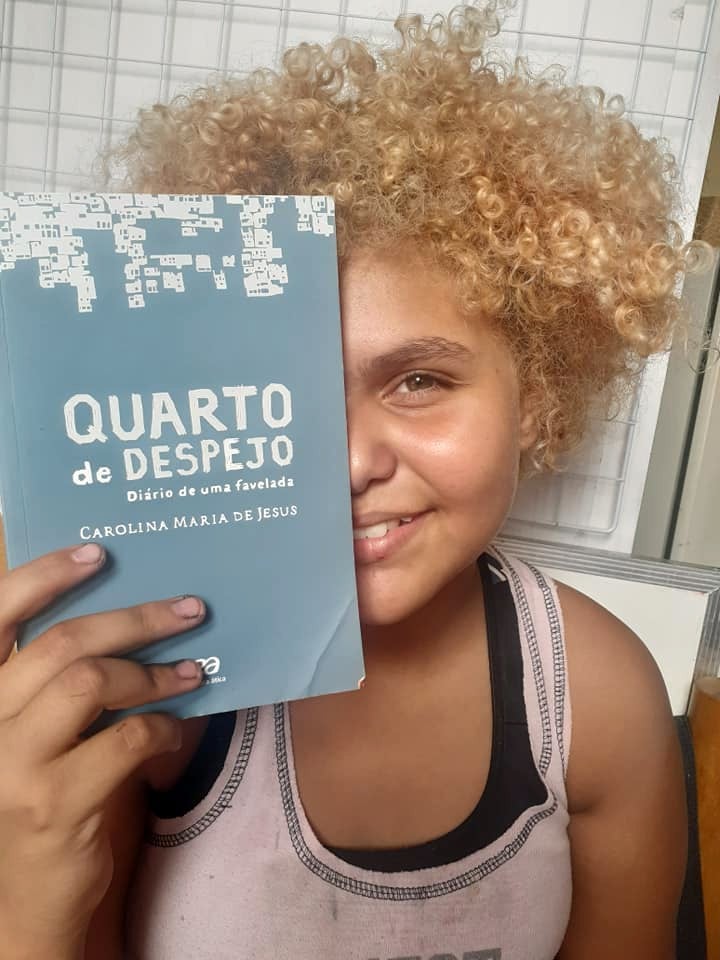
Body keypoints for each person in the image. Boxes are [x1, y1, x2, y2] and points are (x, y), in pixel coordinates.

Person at [0, 5, 700, 958]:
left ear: (536, 397)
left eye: (420, 381)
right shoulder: (153, 686)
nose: (349, 461)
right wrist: (22, 905)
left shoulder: (596, 697)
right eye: (283, 395)